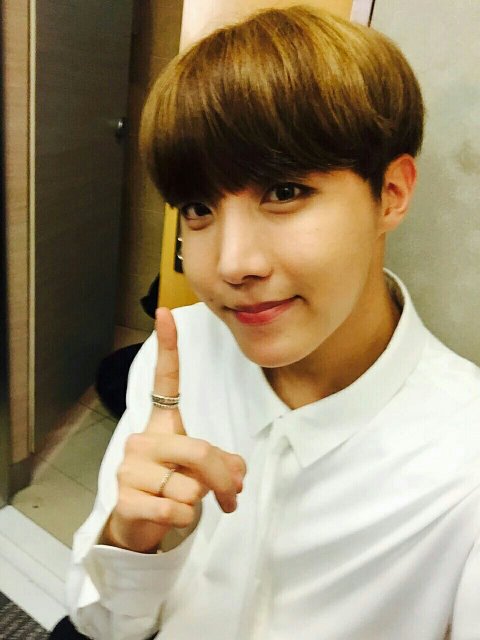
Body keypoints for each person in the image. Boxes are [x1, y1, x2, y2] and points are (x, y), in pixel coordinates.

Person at [57, 6, 480, 639]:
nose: (232, 264)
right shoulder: (181, 354)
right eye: (198, 208)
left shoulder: (464, 466)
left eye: (284, 192)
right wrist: (130, 538)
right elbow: (100, 625)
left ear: (390, 193)